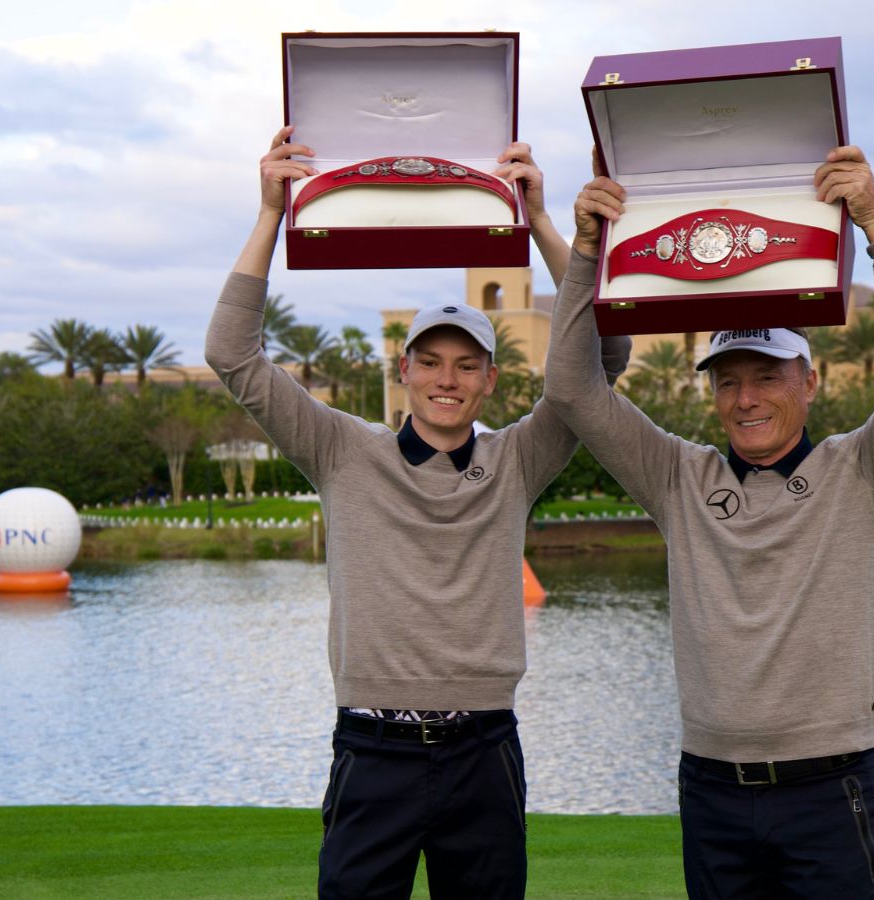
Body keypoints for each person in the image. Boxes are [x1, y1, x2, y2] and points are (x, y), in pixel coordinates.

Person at [205, 126, 629, 899]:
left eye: (466, 365)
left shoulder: (517, 459)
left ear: (490, 381)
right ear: (404, 371)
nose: (447, 379)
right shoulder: (341, 449)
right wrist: (270, 212)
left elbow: (604, 360)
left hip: (484, 750)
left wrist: (539, 221)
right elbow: (233, 354)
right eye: (430, 361)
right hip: (374, 750)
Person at [546, 145, 874, 898]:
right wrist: (584, 253)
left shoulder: (862, 469)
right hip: (711, 790)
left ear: (809, 380)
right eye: (729, 381)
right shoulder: (678, 477)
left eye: (767, 376)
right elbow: (573, 390)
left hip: (829, 789)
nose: (746, 399)